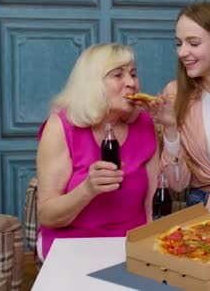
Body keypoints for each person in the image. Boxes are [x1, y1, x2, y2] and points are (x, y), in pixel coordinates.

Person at [35, 43, 159, 260]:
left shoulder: (145, 124)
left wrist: (153, 254)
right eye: (118, 75)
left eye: (133, 74)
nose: (131, 83)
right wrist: (88, 189)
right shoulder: (60, 127)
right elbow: (47, 215)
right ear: (93, 84)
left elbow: (152, 206)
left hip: (131, 242)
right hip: (72, 243)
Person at [150, 1, 210, 215]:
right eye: (179, 43)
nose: (182, 52)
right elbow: (177, 184)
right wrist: (171, 128)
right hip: (205, 203)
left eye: (193, 43)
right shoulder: (175, 94)